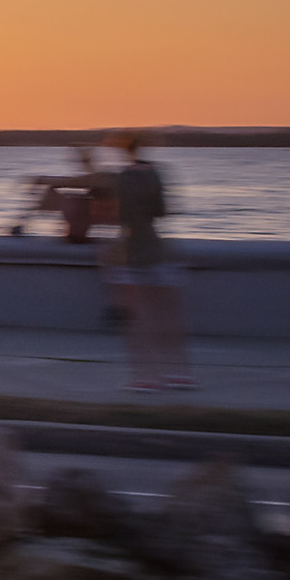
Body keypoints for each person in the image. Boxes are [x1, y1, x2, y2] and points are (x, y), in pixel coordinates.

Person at [102, 129, 192, 391]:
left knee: (136, 320)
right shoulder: (156, 174)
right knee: (168, 315)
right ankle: (180, 373)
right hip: (157, 249)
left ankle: (143, 376)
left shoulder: (119, 178)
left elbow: (114, 216)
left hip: (129, 253)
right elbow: (162, 212)